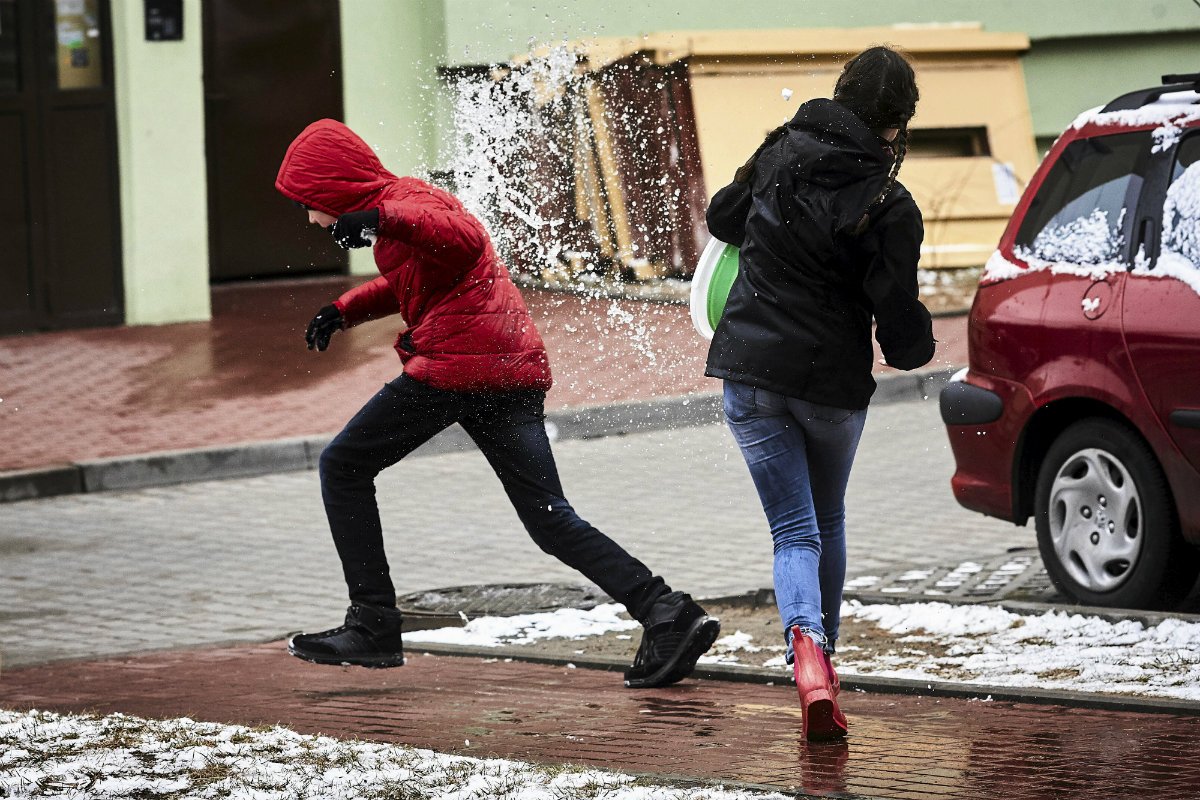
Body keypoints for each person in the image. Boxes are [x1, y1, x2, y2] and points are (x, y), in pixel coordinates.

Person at [274, 119, 720, 689]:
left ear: (337, 186)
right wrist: (346, 309)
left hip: (461, 365)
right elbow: (419, 276)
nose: (312, 220)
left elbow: (464, 238)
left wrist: (380, 219)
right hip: (505, 368)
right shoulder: (399, 211)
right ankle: (666, 611)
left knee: (343, 466)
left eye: (312, 204)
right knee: (548, 518)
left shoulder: (406, 203)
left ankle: (373, 625)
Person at [704, 47, 935, 738]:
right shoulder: (888, 203)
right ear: (897, 125)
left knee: (791, 531)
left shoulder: (781, 152)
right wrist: (918, 345)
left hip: (748, 368)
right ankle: (822, 665)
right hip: (830, 384)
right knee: (822, 522)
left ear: (841, 94)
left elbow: (723, 217)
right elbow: (901, 332)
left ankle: (807, 661)